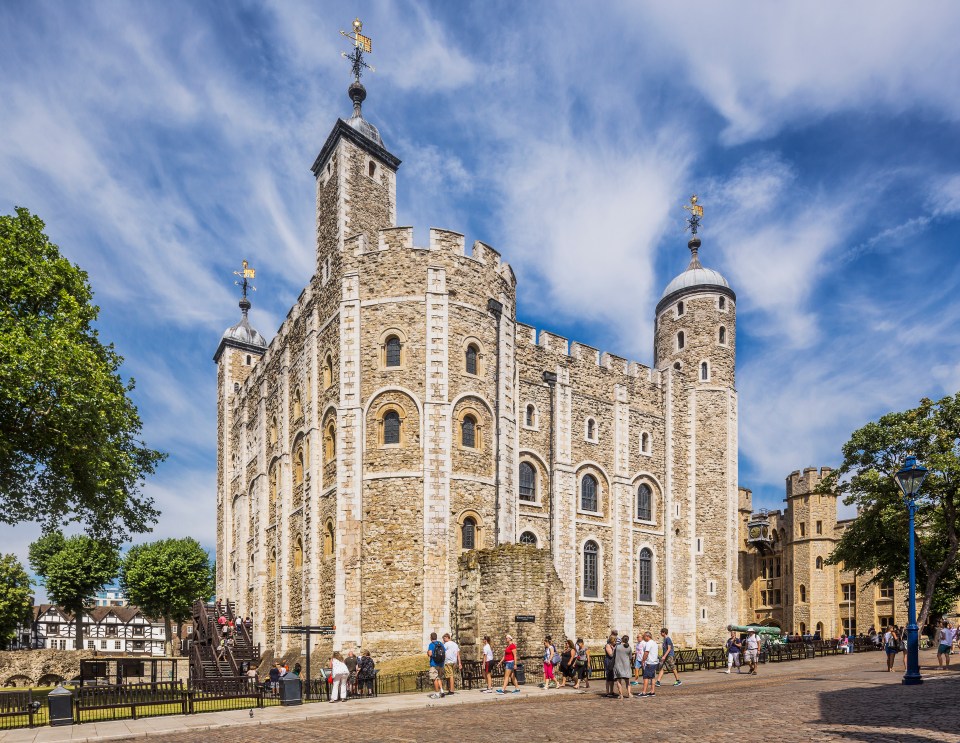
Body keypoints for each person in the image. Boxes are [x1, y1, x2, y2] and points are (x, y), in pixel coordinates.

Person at [639, 631, 658, 697]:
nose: (643, 638)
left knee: (646, 677)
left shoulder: (648, 643)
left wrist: (643, 660)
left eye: (644, 636)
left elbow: (646, 653)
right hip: (654, 662)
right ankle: (652, 691)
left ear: (647, 636)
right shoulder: (654, 643)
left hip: (649, 662)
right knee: (652, 677)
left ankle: (644, 692)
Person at [613, 634, 633, 699]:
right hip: (626, 665)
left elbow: (613, 654)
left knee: (619, 681)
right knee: (627, 681)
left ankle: (621, 694)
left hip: (618, 665)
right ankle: (629, 693)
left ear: (622, 640)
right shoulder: (629, 648)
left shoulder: (617, 647)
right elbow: (630, 657)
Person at [427, 632, 446, 698]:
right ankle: (442, 691)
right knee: (439, 678)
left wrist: (428, 653)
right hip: (441, 664)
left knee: (434, 678)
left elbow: (430, 654)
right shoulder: (440, 643)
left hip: (434, 664)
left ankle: (437, 693)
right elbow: (444, 653)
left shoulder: (431, 644)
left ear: (431, 638)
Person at [603, 632, 617, 697]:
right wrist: (614, 649)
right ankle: (607, 692)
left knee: (612, 677)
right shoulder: (608, 645)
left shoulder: (614, 646)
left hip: (613, 662)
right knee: (608, 677)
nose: (616, 642)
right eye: (615, 640)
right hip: (609, 662)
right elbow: (611, 655)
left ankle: (612, 691)